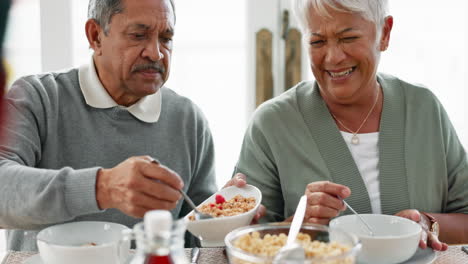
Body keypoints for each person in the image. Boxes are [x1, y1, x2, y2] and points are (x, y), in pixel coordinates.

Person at [0, 0, 261, 251]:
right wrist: (103, 187)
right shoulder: (37, 98)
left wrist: (223, 226)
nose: (156, 52)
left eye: (166, 38)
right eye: (138, 35)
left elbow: (194, 244)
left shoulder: (188, 120)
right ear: (95, 36)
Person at [235, 0, 468, 251]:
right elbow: (239, 243)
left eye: (348, 38)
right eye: (317, 41)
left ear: (385, 34)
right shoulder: (272, 124)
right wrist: (300, 225)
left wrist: (427, 223)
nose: (333, 57)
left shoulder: (424, 110)